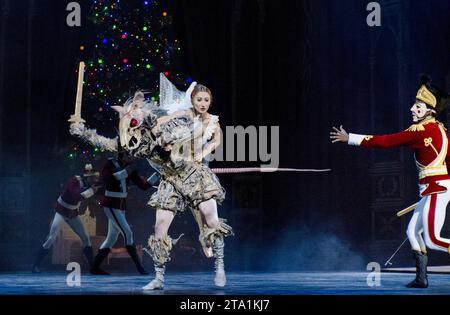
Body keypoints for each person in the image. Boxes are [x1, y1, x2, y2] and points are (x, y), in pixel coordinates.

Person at [330, 75, 450, 288]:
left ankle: (422, 278)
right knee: (412, 232)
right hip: (433, 189)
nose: (413, 109)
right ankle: (421, 278)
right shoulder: (441, 130)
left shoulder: (421, 132)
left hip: (436, 190)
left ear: (430, 110)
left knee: (433, 239)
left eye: (418, 106)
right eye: (415, 105)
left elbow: (386, 141)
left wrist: (351, 138)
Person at [143, 82, 232, 290]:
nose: (203, 103)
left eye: (206, 100)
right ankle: (159, 278)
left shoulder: (212, 121)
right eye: (199, 99)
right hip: (173, 176)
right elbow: (164, 119)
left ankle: (219, 267)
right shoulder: (184, 114)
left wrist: (203, 152)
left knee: (212, 220)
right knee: (159, 227)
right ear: (192, 100)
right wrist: (155, 124)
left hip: (197, 175)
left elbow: (216, 141)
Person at [90, 145, 159, 275]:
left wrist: (157, 174)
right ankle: (139, 268)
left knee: (111, 239)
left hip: (120, 206)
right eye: (128, 154)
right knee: (128, 233)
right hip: (110, 204)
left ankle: (94, 267)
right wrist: (125, 172)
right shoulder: (110, 163)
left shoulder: (129, 169)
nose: (131, 157)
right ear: (121, 154)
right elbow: (106, 178)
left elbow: (143, 186)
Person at [32, 164, 100, 273]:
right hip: (61, 211)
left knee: (86, 238)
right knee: (50, 239)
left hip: (72, 213)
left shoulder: (88, 185)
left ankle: (93, 267)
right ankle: (36, 265)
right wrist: (91, 191)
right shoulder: (74, 181)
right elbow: (76, 196)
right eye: (92, 178)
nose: (94, 181)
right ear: (87, 177)